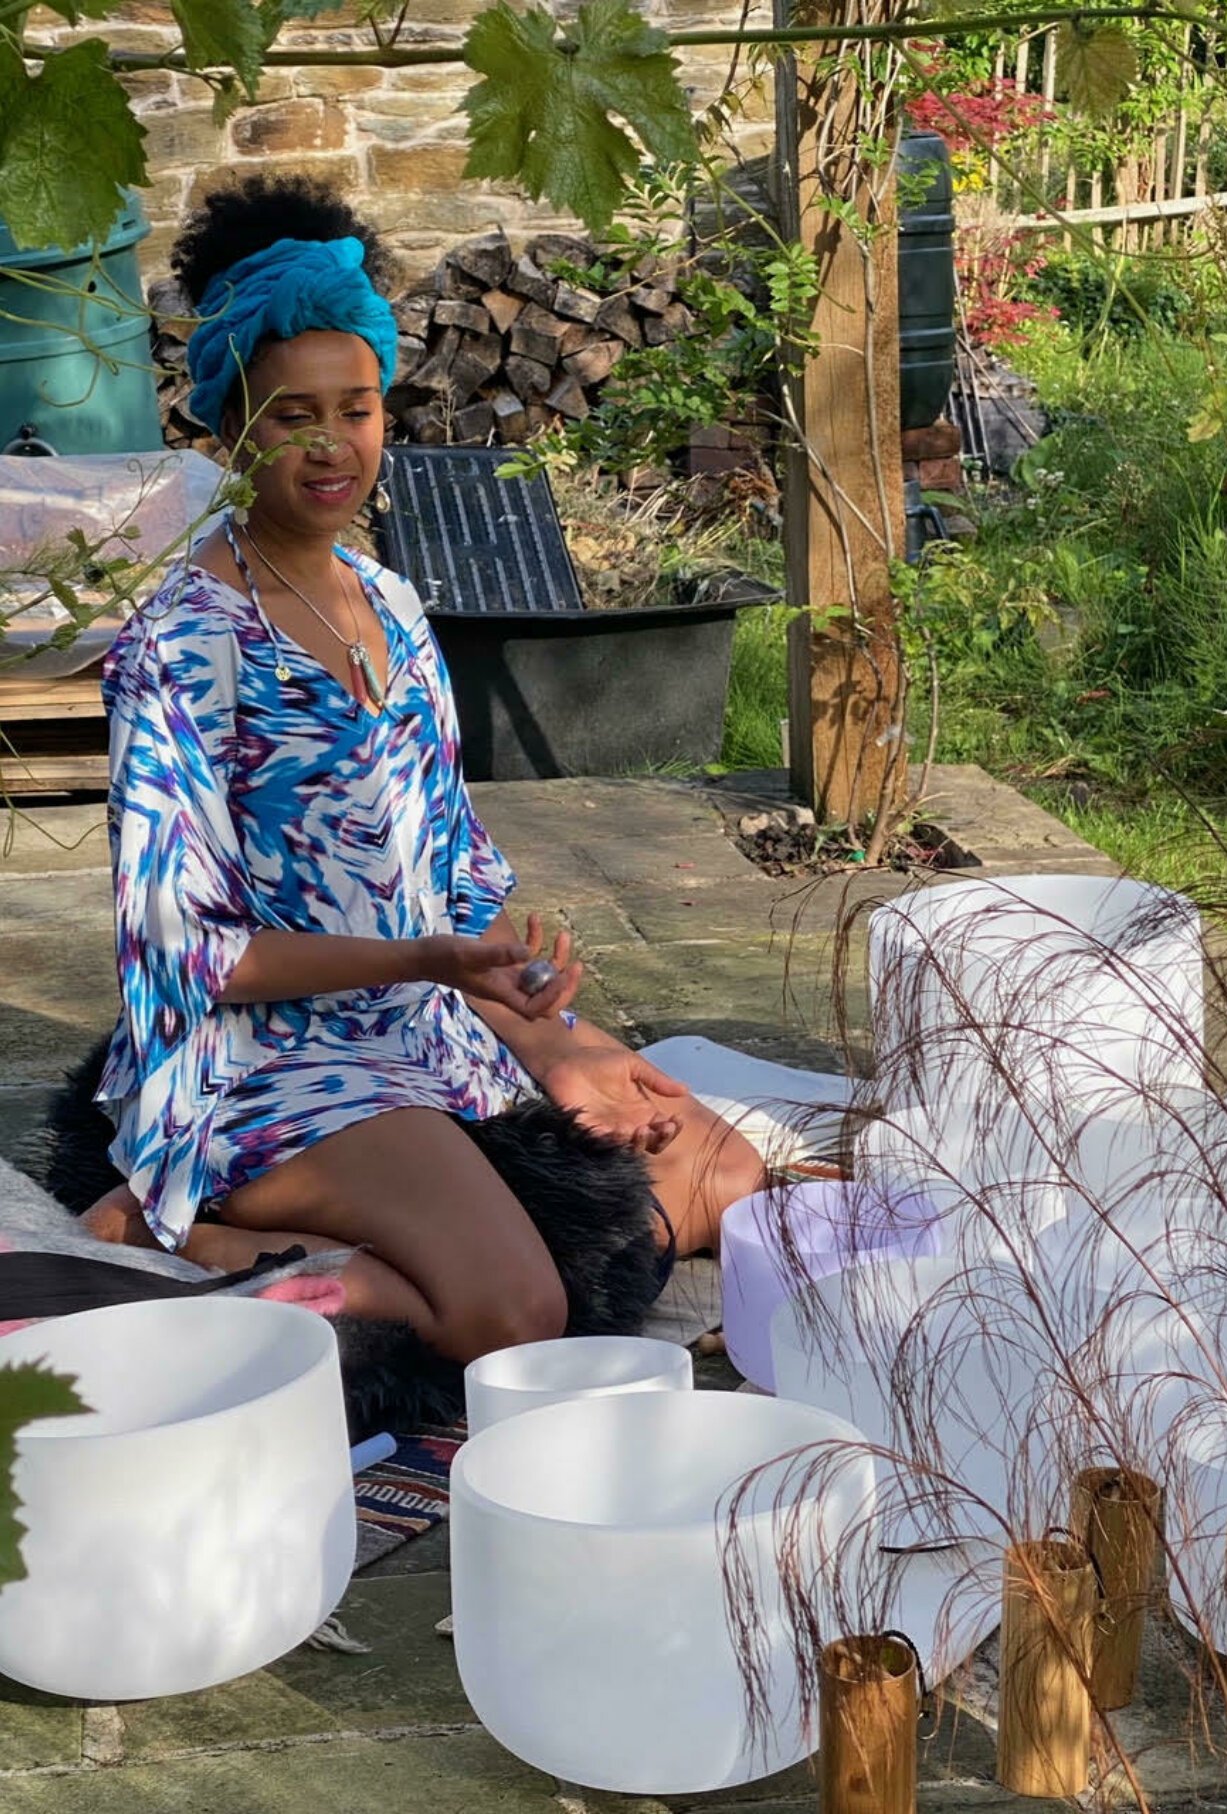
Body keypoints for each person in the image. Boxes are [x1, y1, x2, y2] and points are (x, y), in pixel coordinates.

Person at [82, 175, 765, 1363]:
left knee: (724, 1170)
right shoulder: (182, 642)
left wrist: (541, 1014)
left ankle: (382, 1230)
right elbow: (192, 951)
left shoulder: (392, 606)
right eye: (292, 416)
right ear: (228, 427)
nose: (332, 445)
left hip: (422, 1024)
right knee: (512, 1310)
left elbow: (449, 868)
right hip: (263, 1059)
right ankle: (171, 1231)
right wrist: (433, 961)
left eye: (357, 408)